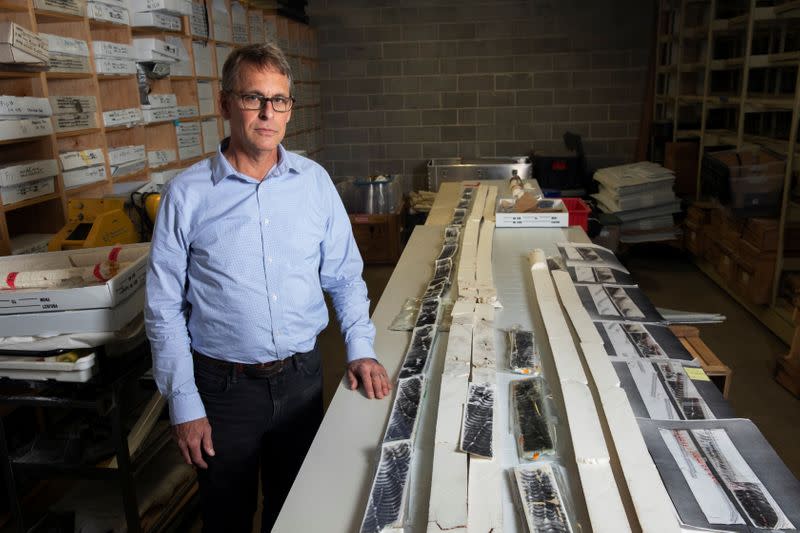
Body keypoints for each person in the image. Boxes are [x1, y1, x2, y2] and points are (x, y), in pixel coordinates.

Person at [144, 42, 392, 533]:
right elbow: (163, 309)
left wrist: (361, 349)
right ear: (224, 104)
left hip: (301, 379)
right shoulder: (186, 195)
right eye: (253, 98)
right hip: (223, 390)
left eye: (279, 100)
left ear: (289, 109)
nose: (267, 113)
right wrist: (185, 403)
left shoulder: (314, 183)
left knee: (297, 512)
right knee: (227, 516)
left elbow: (343, 275)